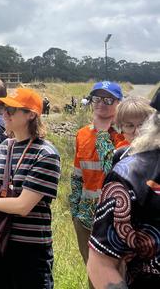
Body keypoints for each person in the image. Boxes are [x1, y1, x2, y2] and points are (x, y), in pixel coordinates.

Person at [0, 88, 61, 288]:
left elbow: (22, 206)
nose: (4, 113)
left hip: (30, 251)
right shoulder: (3, 147)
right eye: (3, 108)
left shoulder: (45, 154)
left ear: (31, 115)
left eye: (12, 110)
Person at [87, 90, 160, 289]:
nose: (136, 131)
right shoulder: (124, 159)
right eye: (130, 125)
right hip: (104, 215)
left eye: (141, 124)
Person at [70, 81, 127, 285]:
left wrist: (103, 132)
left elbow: (110, 167)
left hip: (116, 219)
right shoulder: (82, 134)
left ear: (118, 104)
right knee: (93, 274)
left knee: (116, 275)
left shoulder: (125, 134)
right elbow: (77, 175)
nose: (101, 103)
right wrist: (75, 211)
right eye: (97, 98)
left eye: (108, 99)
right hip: (85, 217)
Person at [112, 97, 154, 166]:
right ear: (121, 129)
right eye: (129, 126)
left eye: (142, 124)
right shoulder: (118, 156)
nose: (137, 132)